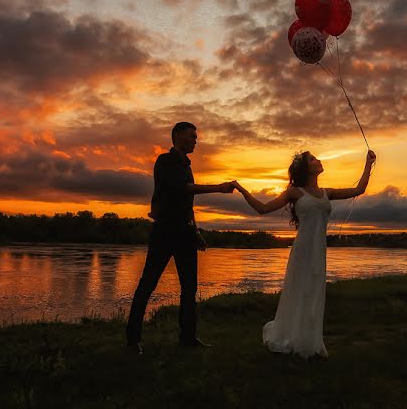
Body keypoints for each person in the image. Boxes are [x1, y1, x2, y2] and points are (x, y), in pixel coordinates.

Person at [232, 149, 376, 359]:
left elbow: (359, 189)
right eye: (312, 159)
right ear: (305, 167)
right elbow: (263, 208)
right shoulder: (295, 192)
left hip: (318, 249)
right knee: (299, 290)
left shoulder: (328, 192)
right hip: (301, 250)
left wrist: (368, 164)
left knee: (315, 292)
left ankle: (309, 341)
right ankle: (291, 337)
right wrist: (240, 188)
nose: (318, 160)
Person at [125, 122, 235, 354]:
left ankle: (188, 339)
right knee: (147, 285)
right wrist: (218, 187)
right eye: (191, 136)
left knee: (189, 288)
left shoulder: (187, 164)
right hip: (164, 231)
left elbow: (187, 205)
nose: (195, 140)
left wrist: (196, 232)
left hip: (184, 233)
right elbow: (182, 189)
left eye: (196, 137)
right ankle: (133, 341)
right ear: (177, 136)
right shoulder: (165, 161)